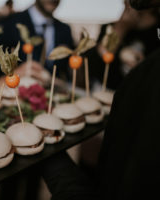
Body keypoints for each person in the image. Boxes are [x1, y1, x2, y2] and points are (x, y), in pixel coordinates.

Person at [42, 0, 160, 199]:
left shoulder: (154, 37)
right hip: (104, 122)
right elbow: (89, 71)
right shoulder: (112, 28)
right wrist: (119, 30)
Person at [0, 0, 74, 88]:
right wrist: (16, 74)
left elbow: (68, 77)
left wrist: (52, 80)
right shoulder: (8, 24)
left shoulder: (65, 30)